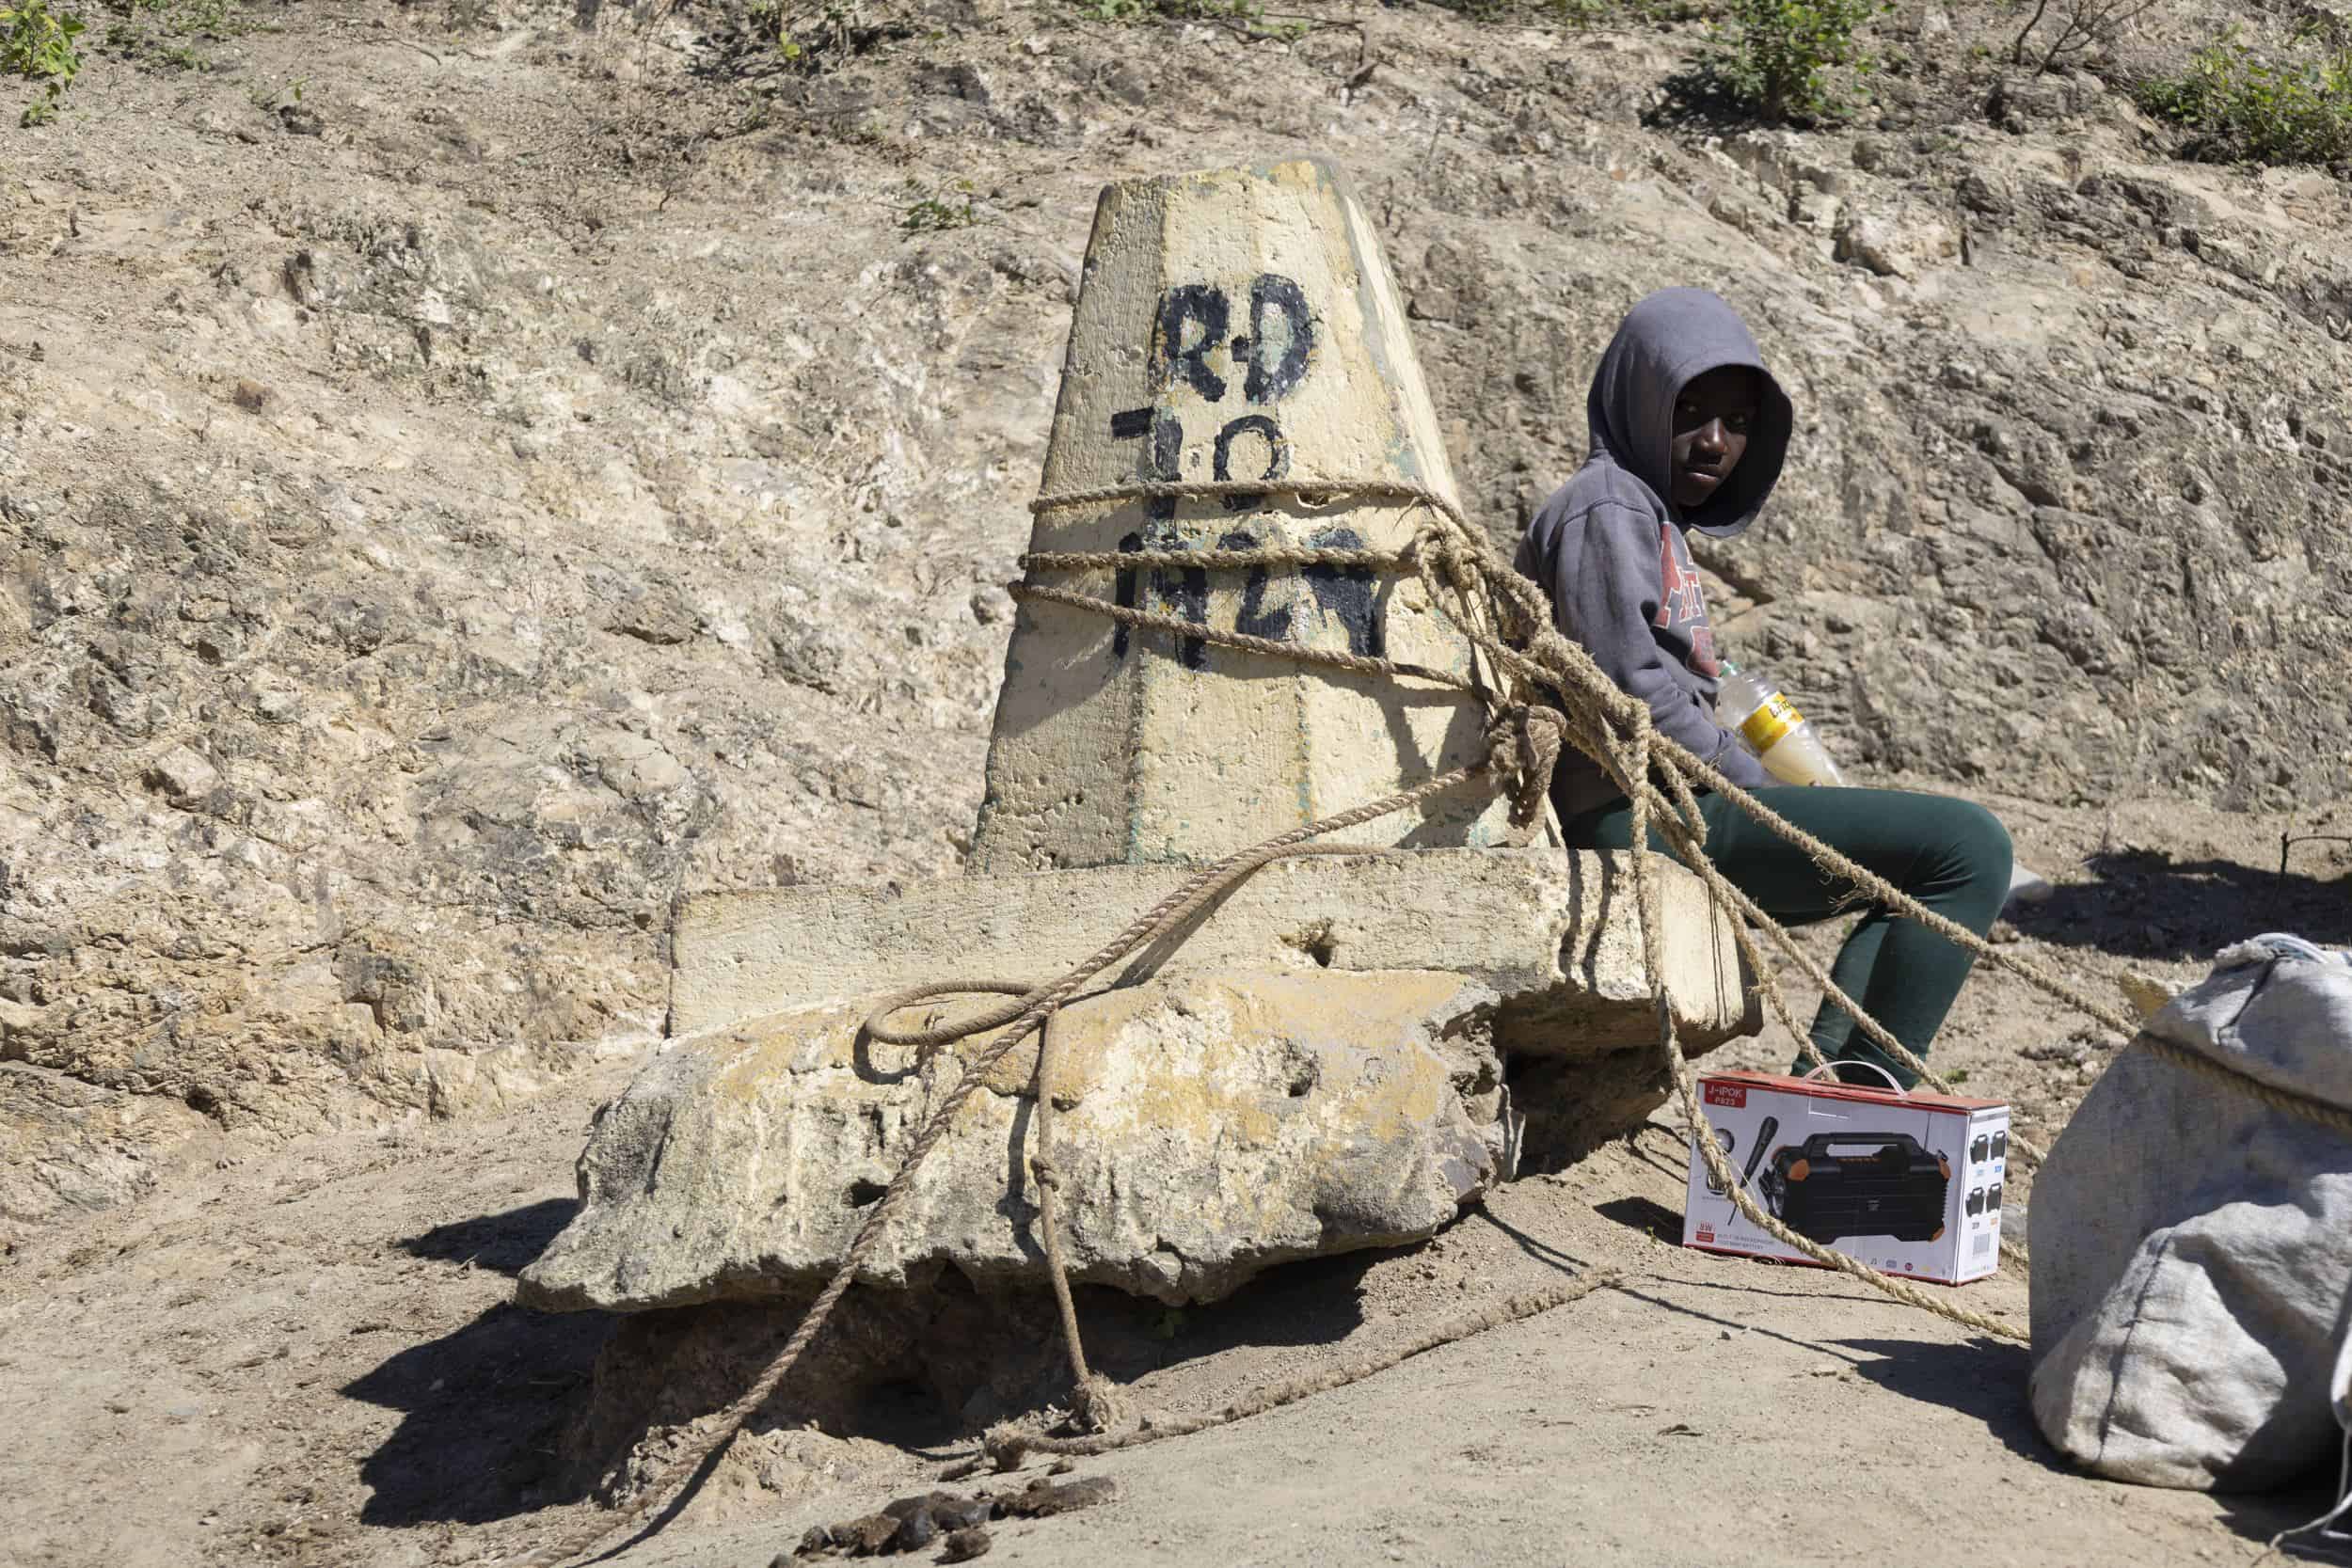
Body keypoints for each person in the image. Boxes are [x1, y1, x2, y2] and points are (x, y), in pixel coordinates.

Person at [1516, 287, 2011, 1087]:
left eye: (1738, 422)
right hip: (1638, 807)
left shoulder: (1649, 515)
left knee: (1916, 874)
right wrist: (1745, 779)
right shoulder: (1604, 505)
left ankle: (1841, 1103)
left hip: (1677, 797)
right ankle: (1855, 1102)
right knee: (1968, 847)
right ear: (1640, 398)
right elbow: (1623, 687)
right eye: (1693, 411)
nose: (1715, 441)